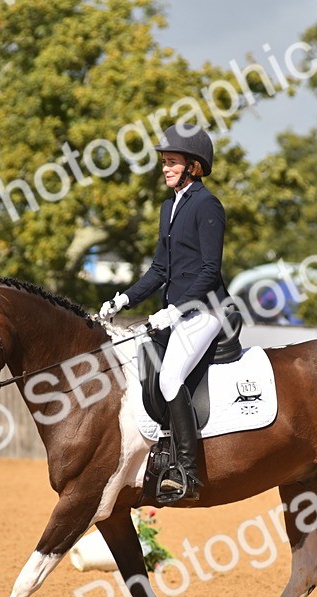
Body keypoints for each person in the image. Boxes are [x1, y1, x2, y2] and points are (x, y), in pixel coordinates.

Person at [98, 123, 229, 501]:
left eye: (172, 162)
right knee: (142, 364)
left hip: (204, 310)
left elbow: (210, 270)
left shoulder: (207, 205)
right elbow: (159, 269)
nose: (165, 168)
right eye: (164, 162)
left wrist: (176, 310)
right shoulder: (169, 206)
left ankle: (187, 470)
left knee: (171, 378)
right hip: (175, 311)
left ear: (194, 166)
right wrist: (124, 299)